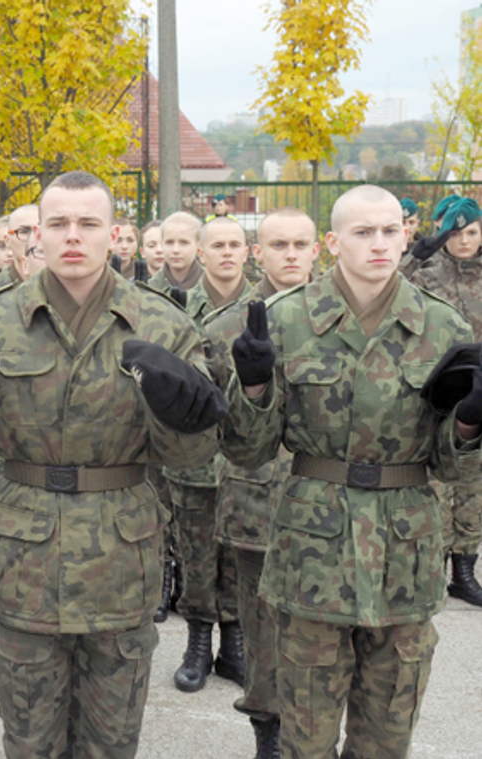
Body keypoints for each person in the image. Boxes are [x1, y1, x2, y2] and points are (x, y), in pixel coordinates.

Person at [0, 170, 226, 759]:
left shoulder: (162, 323)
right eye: (57, 223)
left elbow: (192, 457)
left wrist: (180, 415)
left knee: (112, 741)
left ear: (115, 234)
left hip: (121, 553)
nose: (73, 236)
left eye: (88, 223)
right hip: (22, 554)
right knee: (30, 740)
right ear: (37, 235)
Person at [223, 184, 482, 759]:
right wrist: (256, 387)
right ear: (334, 242)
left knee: (387, 740)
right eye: (363, 233)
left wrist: (467, 426)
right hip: (314, 554)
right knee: (304, 740)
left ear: (406, 235)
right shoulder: (285, 322)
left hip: (405, 553)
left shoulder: (442, 328)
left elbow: (452, 466)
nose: (380, 244)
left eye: (391, 231)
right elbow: (249, 451)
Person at [201, 207, 319, 759]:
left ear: (319, 250)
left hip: (329, 511)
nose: (290, 254)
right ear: (258, 252)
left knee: (324, 637)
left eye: (301, 244)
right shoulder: (226, 327)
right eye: (278, 245)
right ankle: (267, 736)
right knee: (263, 633)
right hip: (257, 506)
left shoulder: (335, 316)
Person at [163, 217, 252, 694]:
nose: (226, 253)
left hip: (245, 460)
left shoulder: (266, 308)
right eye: (216, 245)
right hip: (194, 457)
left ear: (246, 251)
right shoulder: (179, 308)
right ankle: (198, 642)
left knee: (238, 554)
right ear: (201, 250)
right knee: (195, 554)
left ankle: (233, 645)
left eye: (234, 245)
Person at [412, 197, 482, 607]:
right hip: (435, 384)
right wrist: (412, 256)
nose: (463, 240)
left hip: (478, 388)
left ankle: (465, 569)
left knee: (473, 481)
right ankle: (433, 565)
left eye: (472, 231)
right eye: (454, 232)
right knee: (436, 483)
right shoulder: (425, 274)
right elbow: (388, 293)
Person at [147, 212, 204, 295]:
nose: (175, 250)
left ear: (198, 245)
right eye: (169, 242)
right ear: (162, 244)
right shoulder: (149, 289)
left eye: (184, 242)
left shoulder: (213, 286)